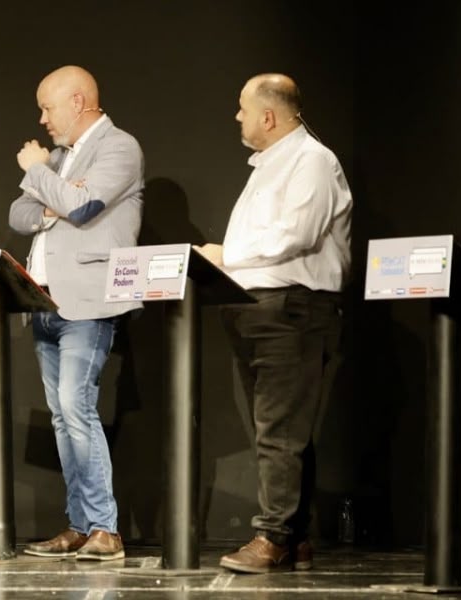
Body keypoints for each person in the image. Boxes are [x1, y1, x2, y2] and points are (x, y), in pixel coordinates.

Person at [196, 73, 351, 574]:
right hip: (261, 308)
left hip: (292, 309)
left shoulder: (312, 160)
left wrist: (226, 255)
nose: (237, 117)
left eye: (243, 109)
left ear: (268, 115)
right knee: (278, 427)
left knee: (280, 429)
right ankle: (295, 534)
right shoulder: (271, 164)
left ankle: (274, 535)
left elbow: (297, 234)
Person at [8, 65, 143, 561]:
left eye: (48, 107)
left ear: (79, 101)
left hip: (87, 300)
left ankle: (105, 527)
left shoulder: (119, 147)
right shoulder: (62, 158)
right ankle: (81, 524)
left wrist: (40, 174)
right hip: (44, 302)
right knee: (63, 419)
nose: (42, 118)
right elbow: (18, 215)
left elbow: (86, 209)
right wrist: (53, 199)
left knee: (76, 407)